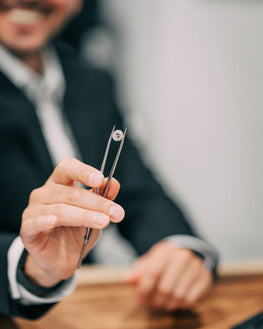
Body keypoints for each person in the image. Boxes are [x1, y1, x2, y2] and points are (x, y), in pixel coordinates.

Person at [0, 0, 218, 320]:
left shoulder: (91, 81)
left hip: (81, 310)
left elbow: (136, 188)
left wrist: (178, 248)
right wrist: (29, 266)